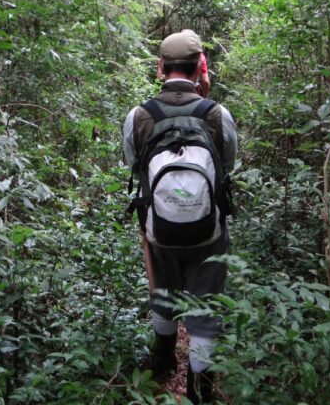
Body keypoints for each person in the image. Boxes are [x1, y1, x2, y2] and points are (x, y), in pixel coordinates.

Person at [123, 29, 237, 403]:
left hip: (158, 231)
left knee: (163, 293)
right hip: (209, 233)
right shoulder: (217, 114)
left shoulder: (139, 116)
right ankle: (200, 391)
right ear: (200, 68)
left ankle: (163, 361)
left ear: (160, 68)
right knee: (205, 308)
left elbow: (135, 167)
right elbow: (226, 167)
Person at [156, 29, 211, 97]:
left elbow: (159, 77)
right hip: (193, 93)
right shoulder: (200, 56)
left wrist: (159, 91)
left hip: (168, 92)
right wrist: (204, 98)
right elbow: (205, 81)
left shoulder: (170, 52)